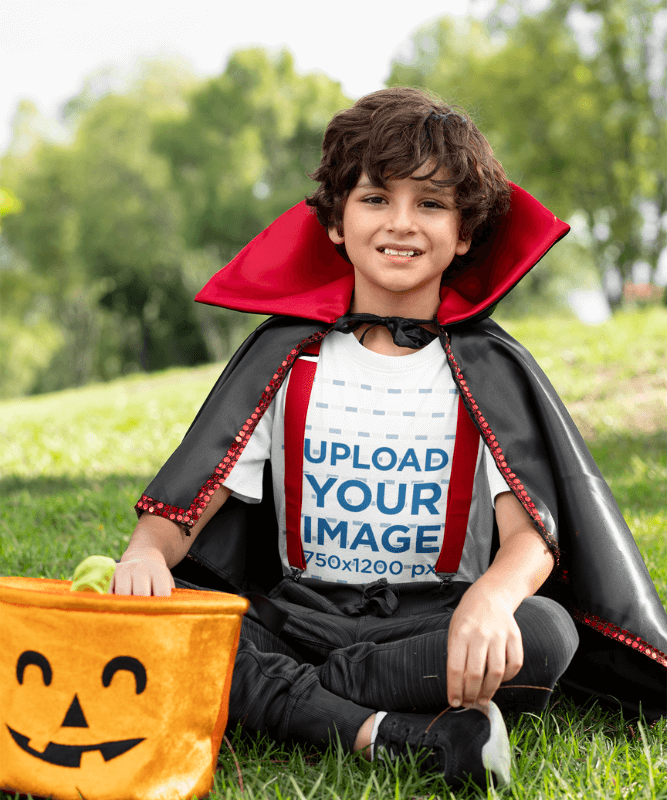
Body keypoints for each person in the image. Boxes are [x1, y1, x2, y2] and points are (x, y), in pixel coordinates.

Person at [111, 87, 667, 787]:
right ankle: (384, 731)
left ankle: (300, 697)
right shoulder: (288, 357)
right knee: (171, 619)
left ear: (464, 233)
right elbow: (191, 501)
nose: (401, 223)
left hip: (433, 621)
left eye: (430, 204)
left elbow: (529, 536)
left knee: (546, 633)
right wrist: (143, 554)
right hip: (298, 610)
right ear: (337, 222)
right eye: (376, 199)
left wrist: (492, 599)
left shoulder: (486, 369)